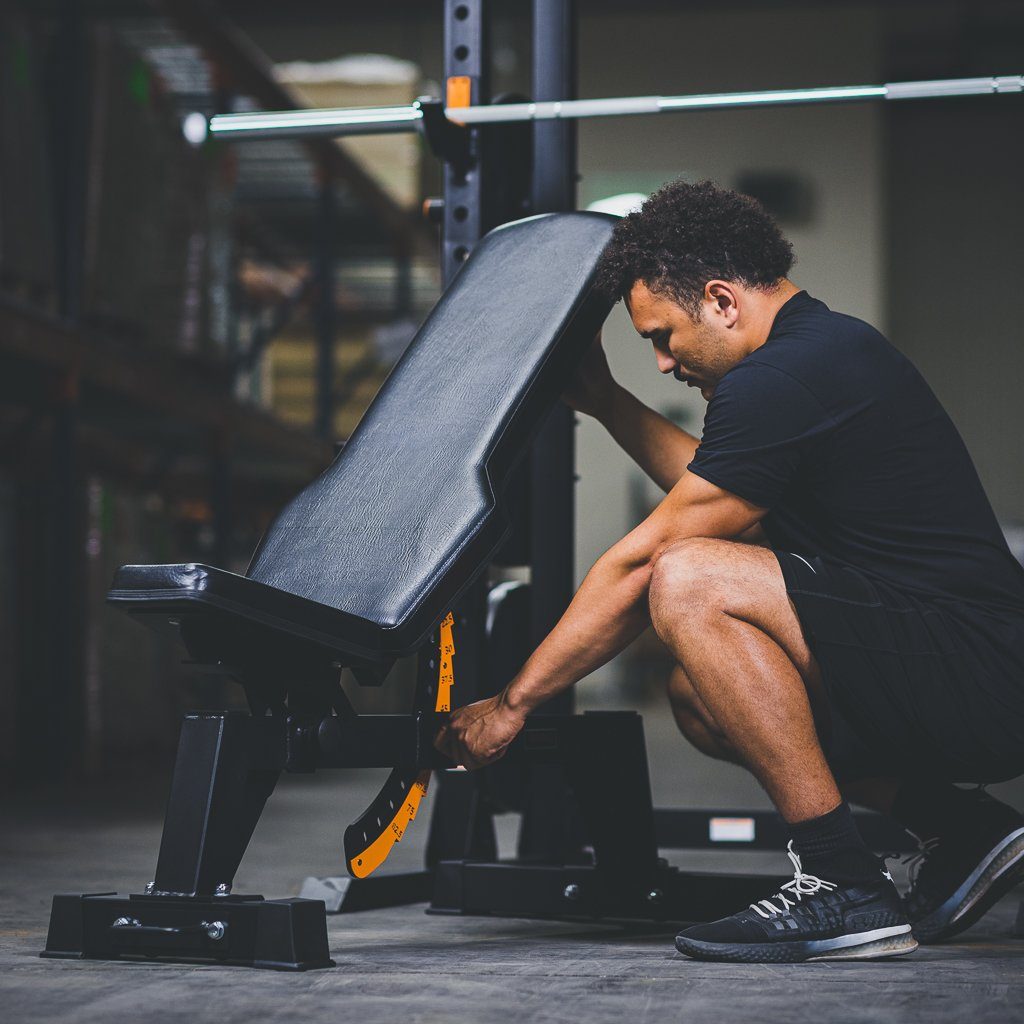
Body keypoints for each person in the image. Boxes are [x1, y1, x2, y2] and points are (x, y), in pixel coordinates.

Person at [434, 179, 1024, 963]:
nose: (663, 359)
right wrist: (607, 402)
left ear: (720, 299)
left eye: (664, 334)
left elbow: (651, 556)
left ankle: (842, 882)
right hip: (951, 664)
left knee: (687, 577)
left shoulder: (781, 377)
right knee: (701, 698)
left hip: (984, 678)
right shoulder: (817, 351)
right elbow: (708, 486)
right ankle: (963, 826)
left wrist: (514, 704)